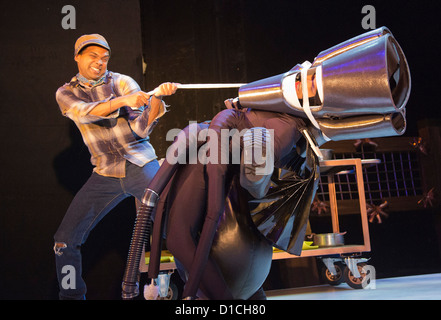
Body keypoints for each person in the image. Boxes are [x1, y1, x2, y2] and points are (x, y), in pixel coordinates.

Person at [53, 34, 178, 300]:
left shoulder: (122, 81)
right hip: (104, 174)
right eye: (93, 56)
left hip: (139, 164)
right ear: (77, 56)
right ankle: (72, 297)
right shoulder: (65, 93)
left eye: (104, 58)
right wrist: (123, 101)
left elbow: (141, 127)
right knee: (64, 241)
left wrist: (156, 99)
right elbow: (85, 112)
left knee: (176, 230)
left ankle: (201, 292)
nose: (99, 63)